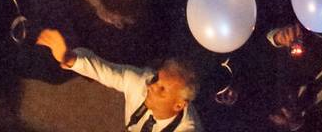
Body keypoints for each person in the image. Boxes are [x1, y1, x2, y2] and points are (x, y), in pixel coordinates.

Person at [36, 29, 203, 131]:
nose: (151, 87)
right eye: (156, 78)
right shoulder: (141, 81)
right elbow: (103, 70)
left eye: (162, 89)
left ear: (179, 105)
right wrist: (69, 58)